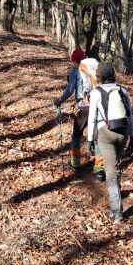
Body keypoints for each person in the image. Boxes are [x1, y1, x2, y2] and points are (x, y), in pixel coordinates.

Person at [86, 62, 133, 222]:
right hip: (123, 133)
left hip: (105, 134)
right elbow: (130, 116)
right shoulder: (123, 91)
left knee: (110, 171)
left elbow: (92, 118)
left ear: (99, 77)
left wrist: (89, 139)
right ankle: (117, 195)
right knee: (115, 166)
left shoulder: (96, 92)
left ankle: (116, 211)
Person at [53, 48, 105, 180]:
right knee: (97, 137)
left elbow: (70, 90)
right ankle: (99, 168)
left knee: (76, 135)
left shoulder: (76, 71)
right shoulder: (95, 69)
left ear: (75, 61)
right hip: (97, 106)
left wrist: (59, 100)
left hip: (83, 108)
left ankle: (75, 163)